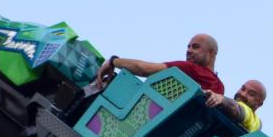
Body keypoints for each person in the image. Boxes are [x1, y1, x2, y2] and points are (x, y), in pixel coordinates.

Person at [95, 33, 223, 94]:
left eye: (195, 47)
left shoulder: (189, 68)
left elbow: (143, 68)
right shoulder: (220, 88)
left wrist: (113, 61)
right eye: (188, 47)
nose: (188, 50)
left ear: (211, 53)